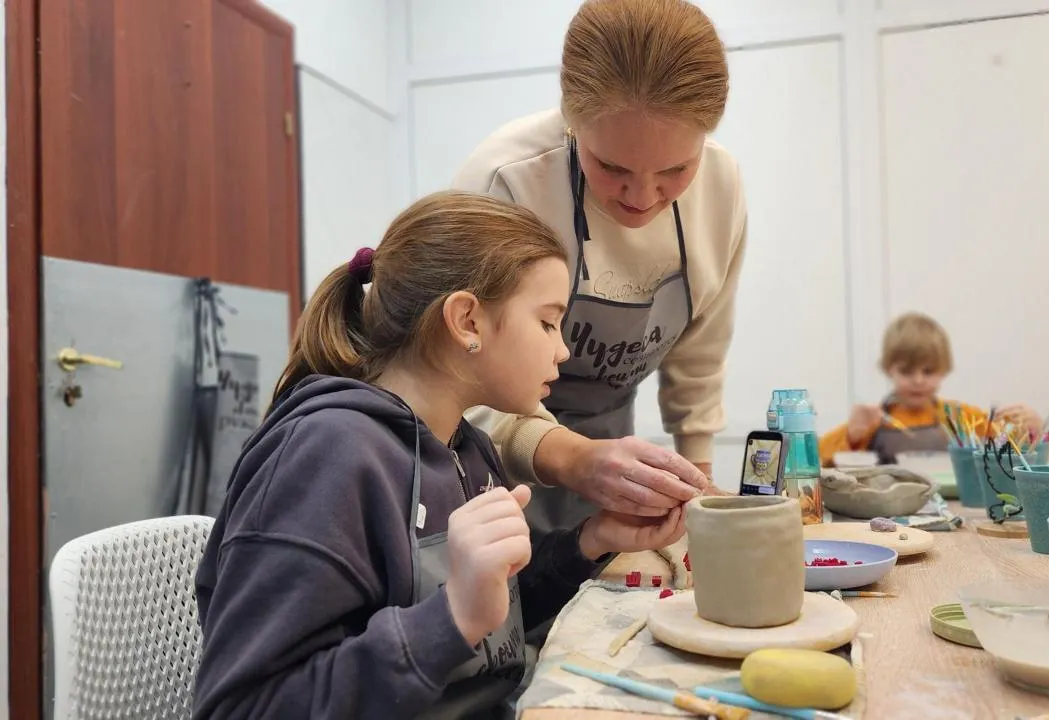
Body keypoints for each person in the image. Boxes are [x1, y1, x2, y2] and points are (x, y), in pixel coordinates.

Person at [191, 191, 688, 720]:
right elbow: (240, 708)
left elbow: (491, 635)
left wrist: (591, 543)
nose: (562, 350)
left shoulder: (465, 448)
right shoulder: (327, 458)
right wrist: (450, 618)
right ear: (467, 321)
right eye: (546, 322)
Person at [453, 0, 747, 553]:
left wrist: (698, 499)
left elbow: (700, 357)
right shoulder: (507, 184)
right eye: (611, 167)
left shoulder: (723, 186)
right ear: (570, 115)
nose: (642, 198)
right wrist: (574, 458)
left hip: (609, 453)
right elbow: (457, 378)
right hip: (487, 478)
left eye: (675, 170)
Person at [819, 312, 1044, 467]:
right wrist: (851, 434)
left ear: (944, 369)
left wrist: (1031, 428)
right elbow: (818, 457)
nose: (918, 380)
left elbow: (1011, 447)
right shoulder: (875, 420)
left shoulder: (959, 417)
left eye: (928, 371)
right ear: (889, 369)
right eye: (906, 371)